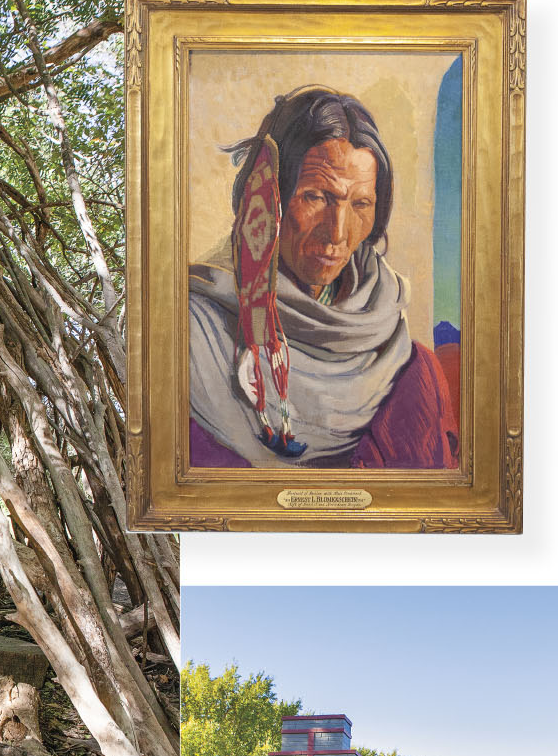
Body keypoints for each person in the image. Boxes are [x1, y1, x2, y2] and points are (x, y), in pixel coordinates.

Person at [187, 86, 457, 470]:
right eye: (316, 197)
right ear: (268, 197)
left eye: (360, 204)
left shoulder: (409, 369)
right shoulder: (192, 335)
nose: (337, 233)